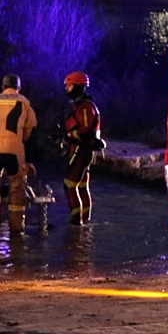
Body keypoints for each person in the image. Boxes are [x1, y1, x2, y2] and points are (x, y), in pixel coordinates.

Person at [0, 74, 38, 235]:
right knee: (16, 189)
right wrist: (30, 160)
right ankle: (16, 233)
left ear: (2, 87)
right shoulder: (24, 102)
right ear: (19, 88)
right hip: (13, 150)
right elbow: (30, 132)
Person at [62, 71, 103, 226]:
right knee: (81, 185)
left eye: (69, 85)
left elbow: (84, 130)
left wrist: (69, 136)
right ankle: (85, 222)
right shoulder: (83, 105)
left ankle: (76, 223)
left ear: (78, 86)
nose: (67, 89)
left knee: (69, 184)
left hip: (81, 150)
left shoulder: (85, 107)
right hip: (83, 150)